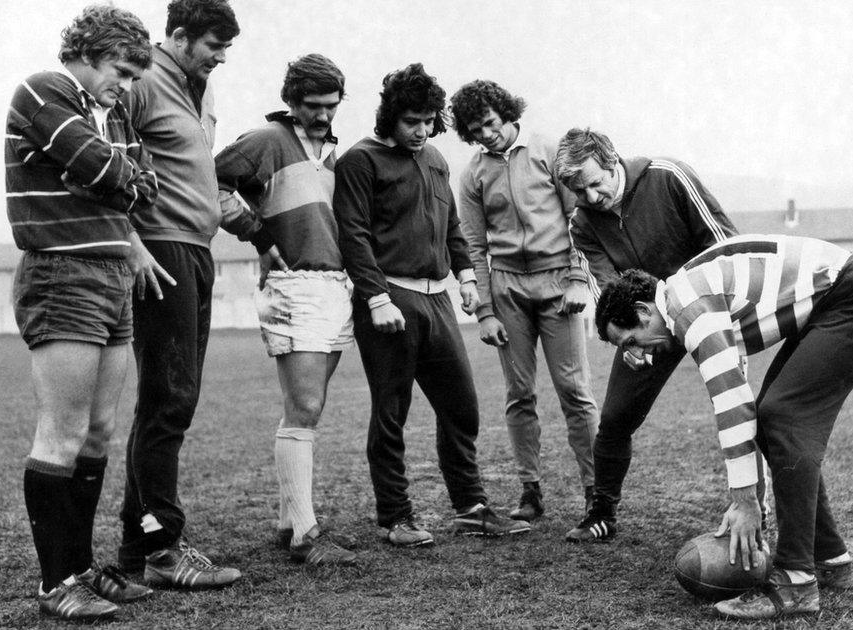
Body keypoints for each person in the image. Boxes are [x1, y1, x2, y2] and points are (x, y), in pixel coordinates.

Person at [593, 234, 853, 619]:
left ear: (642, 311)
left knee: (784, 419)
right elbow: (741, 399)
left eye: (630, 342)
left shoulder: (688, 307)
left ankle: (796, 581)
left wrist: (745, 502)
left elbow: (732, 402)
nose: (636, 355)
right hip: (843, 297)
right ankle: (830, 555)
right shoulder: (685, 296)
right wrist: (750, 494)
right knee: (774, 419)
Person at [6, 5, 165, 620]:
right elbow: (103, 167)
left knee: (99, 432)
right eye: (120, 71)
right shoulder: (43, 89)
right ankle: (54, 585)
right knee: (64, 432)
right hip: (61, 273)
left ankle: (78, 568)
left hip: (113, 273)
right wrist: (113, 177)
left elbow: (141, 184)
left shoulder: (114, 109)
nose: (125, 86)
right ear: (89, 52)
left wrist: (113, 178)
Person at [333, 63, 530, 547]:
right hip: (388, 300)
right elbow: (353, 235)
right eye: (411, 121)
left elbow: (452, 226)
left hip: (437, 298)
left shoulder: (436, 158)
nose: (421, 131)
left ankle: (470, 507)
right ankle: (396, 517)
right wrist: (375, 296)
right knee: (391, 412)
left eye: (428, 121)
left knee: (461, 406)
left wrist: (465, 277)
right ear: (389, 118)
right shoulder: (361, 161)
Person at [554, 128, 739, 542]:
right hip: (647, 324)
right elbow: (610, 294)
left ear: (612, 160)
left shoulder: (669, 177)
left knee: (742, 409)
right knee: (616, 417)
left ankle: (754, 512)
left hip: (710, 312)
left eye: (596, 183)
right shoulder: (583, 224)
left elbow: (725, 245)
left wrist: (714, 312)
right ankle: (601, 512)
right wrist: (629, 343)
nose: (593, 198)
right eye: (581, 192)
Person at [118, 0, 243, 587]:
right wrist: (129, 238)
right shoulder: (141, 80)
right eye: (213, 46)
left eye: (226, 48)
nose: (220, 58)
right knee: (168, 400)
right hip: (160, 251)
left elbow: (202, 174)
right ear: (178, 37)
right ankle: (164, 549)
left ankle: (135, 545)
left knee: (168, 401)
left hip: (196, 250)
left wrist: (258, 235)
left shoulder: (202, 90)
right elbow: (106, 157)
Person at [214, 53, 356, 566]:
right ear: (291, 101)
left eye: (331, 106)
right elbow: (210, 183)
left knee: (306, 407)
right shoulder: (267, 141)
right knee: (305, 409)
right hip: (295, 284)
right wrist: (256, 234)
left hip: (336, 286)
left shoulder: (334, 148)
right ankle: (305, 535)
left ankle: (289, 520)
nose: (322, 115)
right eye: (313, 106)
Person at [449, 80, 599, 523]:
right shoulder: (473, 172)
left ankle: (596, 490)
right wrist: (484, 311)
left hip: (558, 284)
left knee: (575, 391)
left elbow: (580, 217)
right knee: (519, 394)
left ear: (509, 113)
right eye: (475, 130)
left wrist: (576, 280)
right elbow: (474, 245)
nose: (486, 135)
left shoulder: (548, 150)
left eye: (491, 123)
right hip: (508, 289)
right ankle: (530, 491)